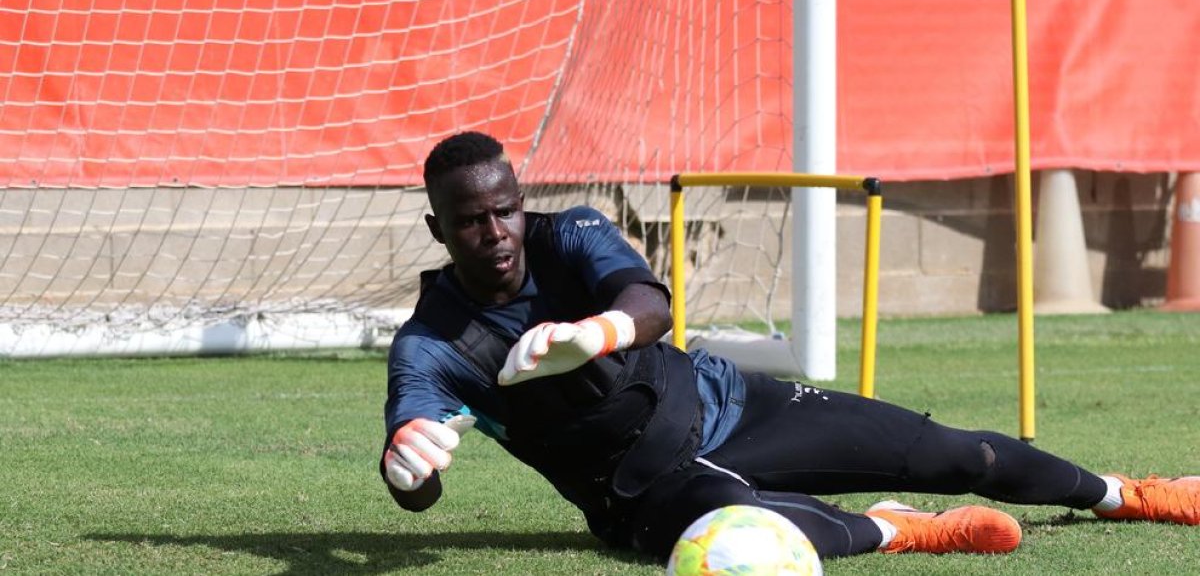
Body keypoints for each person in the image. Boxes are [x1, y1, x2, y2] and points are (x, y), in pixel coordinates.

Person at [380, 131, 1199, 562]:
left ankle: (1127, 494)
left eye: (505, 210)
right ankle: (901, 530)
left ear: (522, 204)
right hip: (641, 491)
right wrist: (409, 469)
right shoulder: (434, 341)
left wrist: (590, 334)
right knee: (752, 534)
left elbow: (648, 303)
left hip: (734, 405)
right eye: (469, 221)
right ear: (437, 228)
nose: (494, 233)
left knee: (966, 453)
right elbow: (414, 459)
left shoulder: (572, 231)